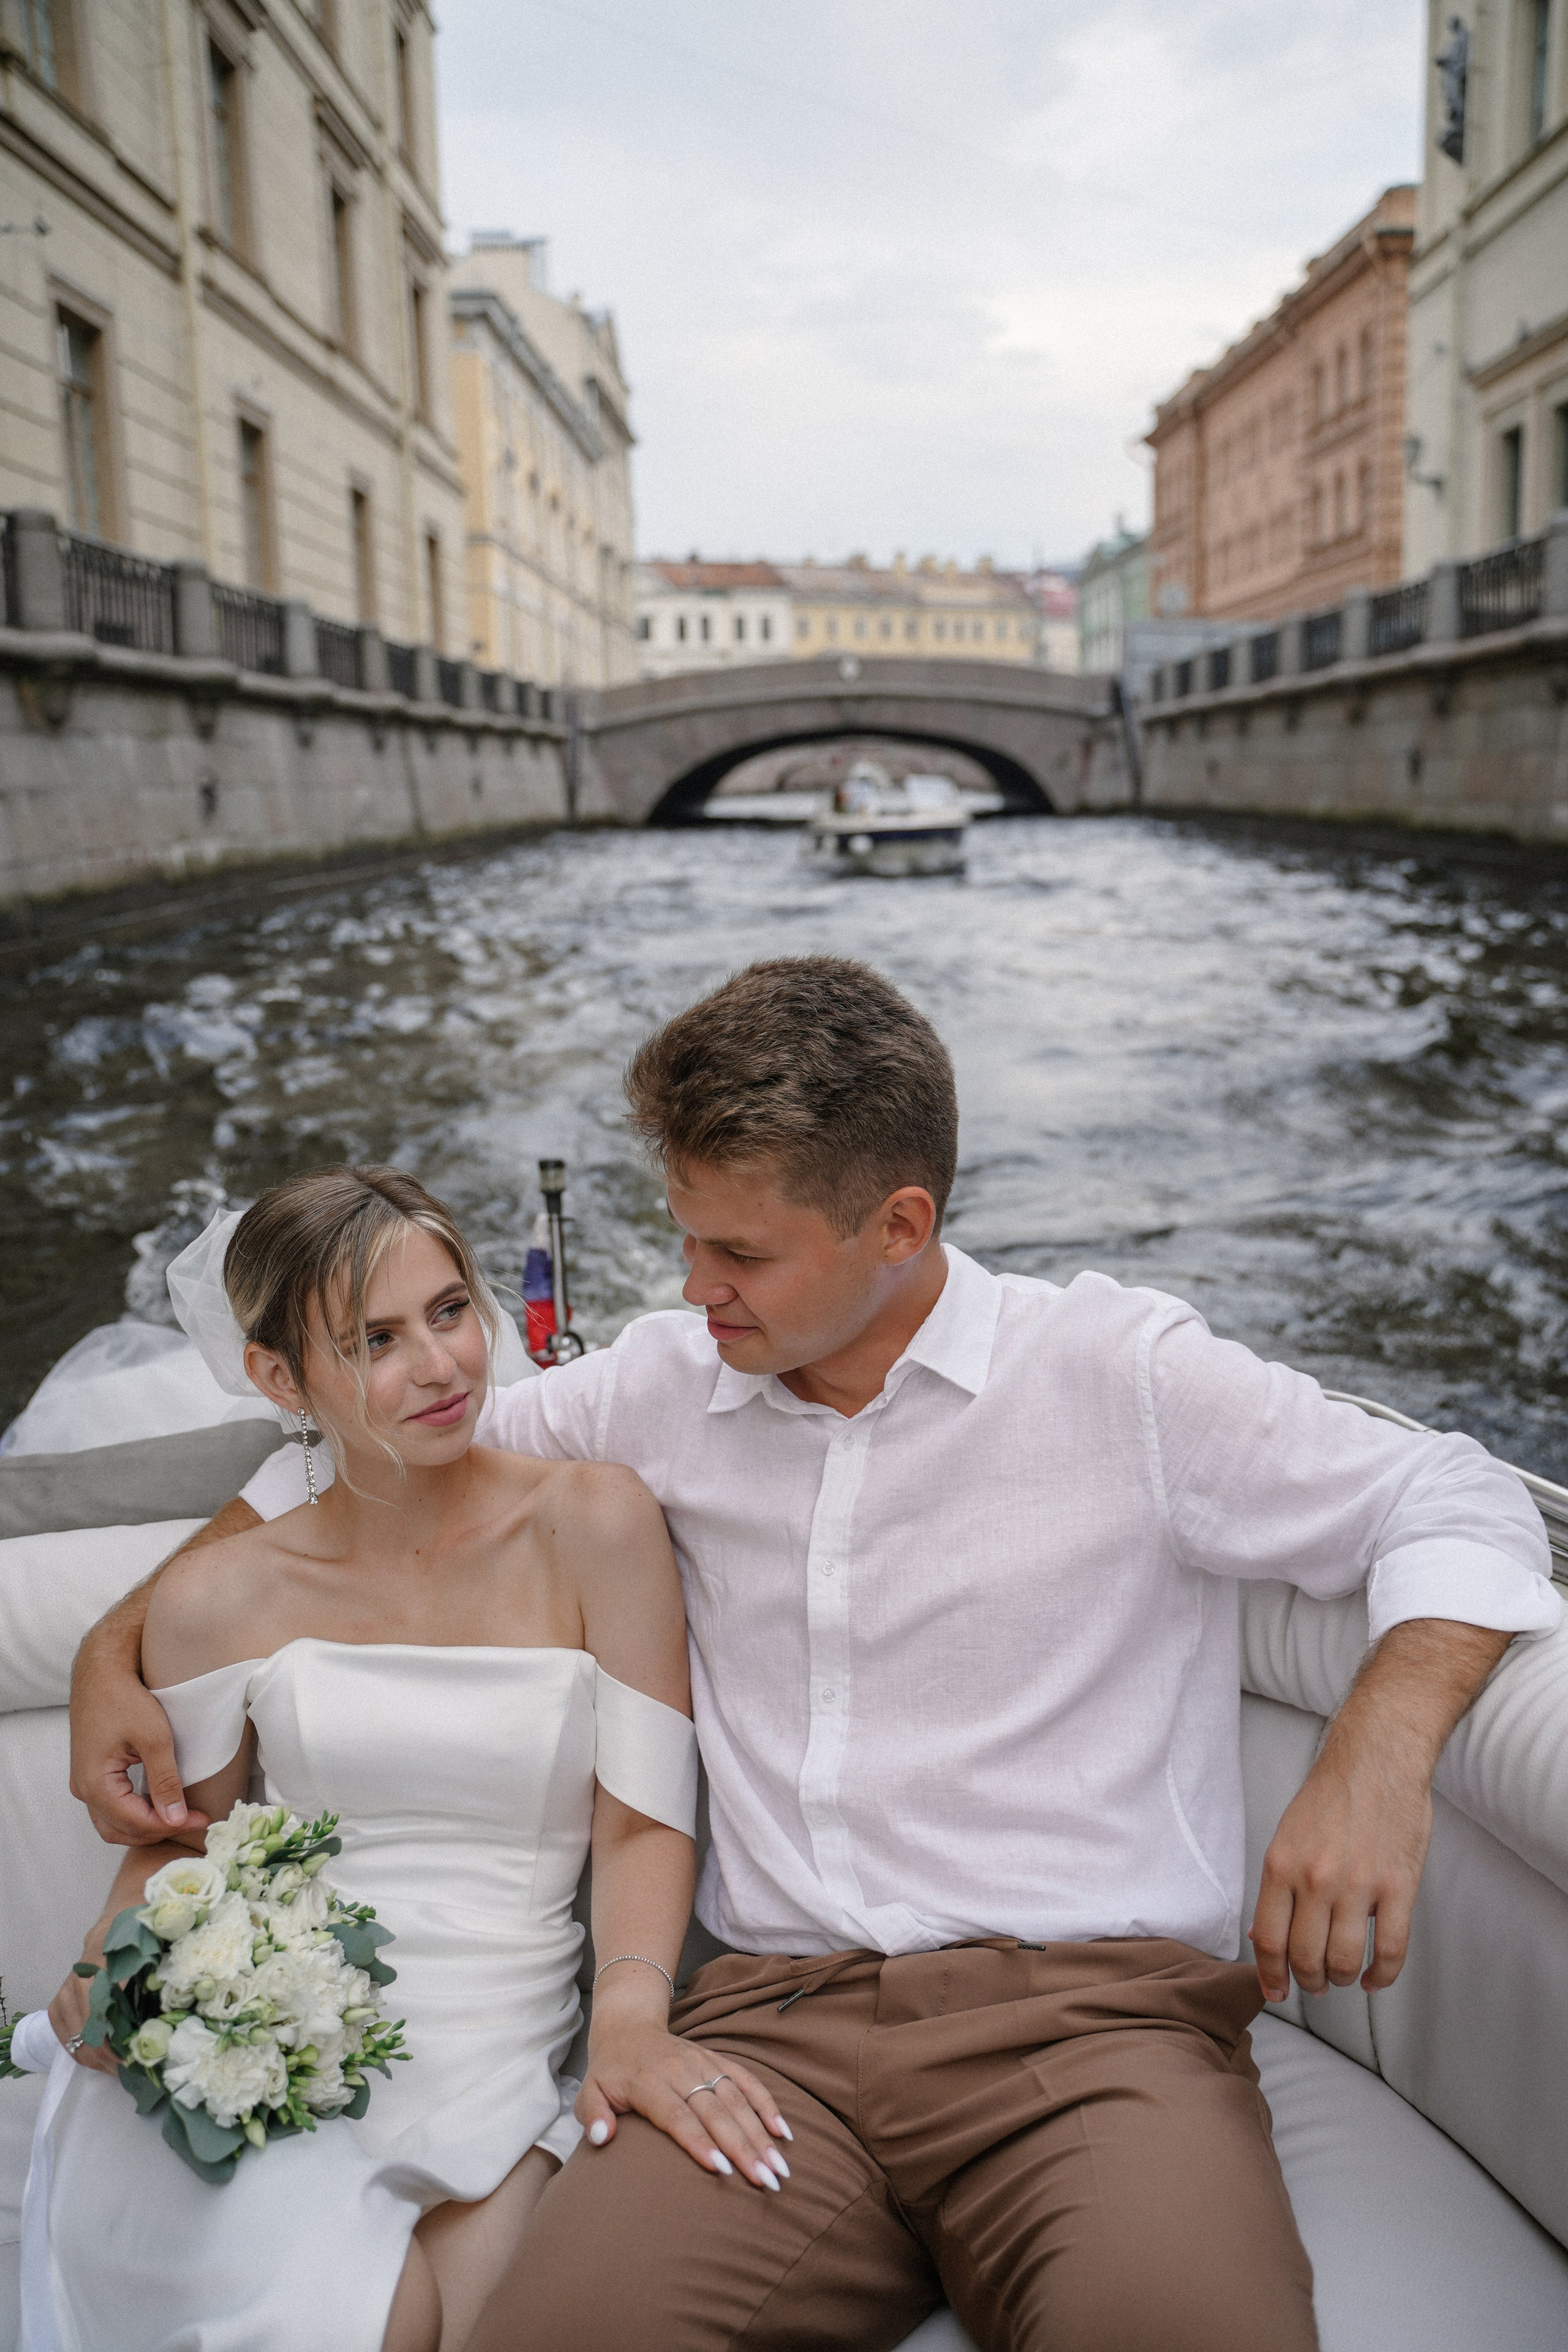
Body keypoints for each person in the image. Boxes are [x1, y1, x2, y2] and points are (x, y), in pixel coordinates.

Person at [71, 961, 1559, 2352]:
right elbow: (344, 1479)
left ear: (896, 1228)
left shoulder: (1122, 1374)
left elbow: (1454, 1492)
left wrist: (1376, 1752)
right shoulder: (660, 1385)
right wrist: (113, 1649)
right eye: (681, 1233)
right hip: (768, 2039)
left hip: (1088, 2030)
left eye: (737, 1252)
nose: (691, 1283)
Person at [27, 1166, 787, 2352]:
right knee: (350, 2317)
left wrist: (629, 2018)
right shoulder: (221, 1595)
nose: (440, 1366)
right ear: (280, 1379)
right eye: (376, 1340)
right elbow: (184, 1841)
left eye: (449, 1311)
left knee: (466, 2321)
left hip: (497, 2039)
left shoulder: (594, 1525)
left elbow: (641, 1820)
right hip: (279, 2037)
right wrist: (109, 1962)